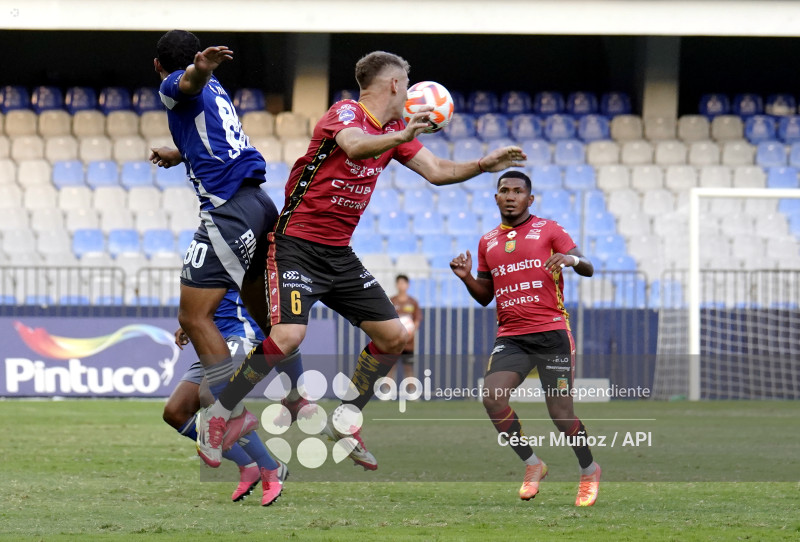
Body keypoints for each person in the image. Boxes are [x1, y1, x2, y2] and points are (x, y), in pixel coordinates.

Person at [196, 50, 527, 471]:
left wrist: (483, 165)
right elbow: (354, 147)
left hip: (339, 254)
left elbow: (439, 170)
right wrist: (401, 135)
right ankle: (220, 414)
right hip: (296, 244)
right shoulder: (345, 113)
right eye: (406, 84)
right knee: (289, 337)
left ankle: (346, 418)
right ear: (393, 84)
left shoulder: (393, 130)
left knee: (393, 337)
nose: (408, 91)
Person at [149, 30, 286, 453]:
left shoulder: (176, 84)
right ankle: (299, 396)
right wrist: (181, 151)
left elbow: (185, 83)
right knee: (265, 313)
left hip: (227, 210)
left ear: (158, 65)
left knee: (194, 318)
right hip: (260, 203)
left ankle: (230, 409)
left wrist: (196, 69)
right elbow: (215, 139)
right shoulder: (217, 88)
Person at [449, 170, 602, 507]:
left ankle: (589, 470)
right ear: (496, 198)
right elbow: (485, 295)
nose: (511, 195)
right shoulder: (487, 241)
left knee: (561, 415)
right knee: (492, 398)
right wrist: (466, 278)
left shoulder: (549, 229)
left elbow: (589, 266)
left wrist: (571, 259)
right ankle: (533, 464)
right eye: (504, 190)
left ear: (529, 199)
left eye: (518, 191)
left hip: (552, 335)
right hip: (512, 337)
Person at [388, 274, 422, 383]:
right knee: (390, 367)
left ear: (408, 285)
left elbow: (417, 320)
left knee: (408, 368)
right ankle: (387, 393)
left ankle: (412, 392)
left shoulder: (413, 302)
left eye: (403, 283)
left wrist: (411, 332)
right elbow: (387, 320)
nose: (401, 285)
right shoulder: (391, 301)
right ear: (396, 285)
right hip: (393, 342)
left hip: (408, 342)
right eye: (399, 283)